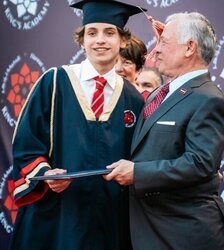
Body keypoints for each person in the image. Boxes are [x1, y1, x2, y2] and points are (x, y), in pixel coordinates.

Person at [10, 1, 145, 249]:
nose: (100, 40)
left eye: (109, 32)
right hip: (58, 215)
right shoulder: (53, 83)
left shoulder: (134, 99)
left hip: (109, 219)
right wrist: (45, 173)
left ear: (123, 41)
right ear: (82, 41)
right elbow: (26, 145)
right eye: (92, 33)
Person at [104, 12, 224, 250]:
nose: (156, 50)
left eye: (164, 42)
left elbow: (199, 163)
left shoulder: (208, 98)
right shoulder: (158, 94)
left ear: (189, 48)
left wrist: (137, 173)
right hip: (148, 231)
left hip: (183, 235)